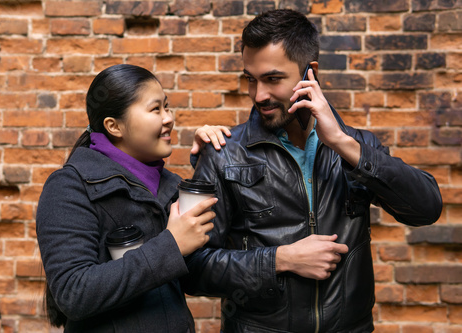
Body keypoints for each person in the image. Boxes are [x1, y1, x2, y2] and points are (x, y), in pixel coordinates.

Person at [184, 9, 443, 333]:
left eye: (273, 79)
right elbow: (191, 268)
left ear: (311, 74)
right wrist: (281, 260)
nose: (258, 94)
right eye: (251, 78)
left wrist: (342, 144)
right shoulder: (225, 152)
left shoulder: (356, 146)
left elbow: (426, 209)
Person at [36, 64, 229, 332]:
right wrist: (171, 245)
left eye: (167, 106)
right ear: (114, 126)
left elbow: (201, 272)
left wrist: (212, 163)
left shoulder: (169, 185)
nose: (169, 118)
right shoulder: (69, 186)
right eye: (155, 109)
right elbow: (73, 293)